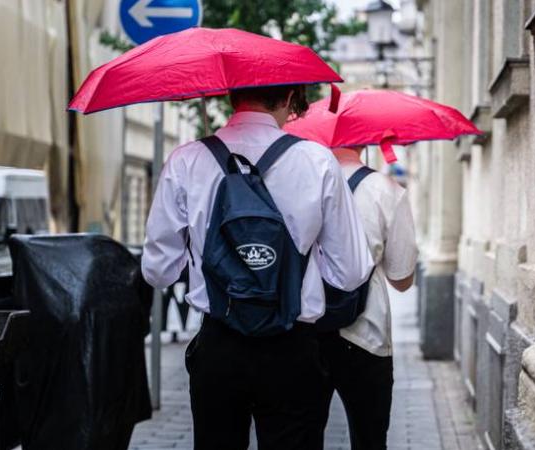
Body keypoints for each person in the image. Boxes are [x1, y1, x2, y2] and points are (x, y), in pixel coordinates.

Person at [141, 85, 374, 450]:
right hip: (292, 344)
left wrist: (211, 259)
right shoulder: (317, 160)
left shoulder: (187, 159)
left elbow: (158, 272)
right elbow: (351, 272)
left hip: (219, 342)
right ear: (287, 98)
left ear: (232, 97)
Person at [319, 146, 419, 450]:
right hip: (366, 335)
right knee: (369, 440)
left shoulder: (302, 181)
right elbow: (401, 279)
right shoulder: (387, 190)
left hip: (306, 332)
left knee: (299, 438)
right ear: (365, 139)